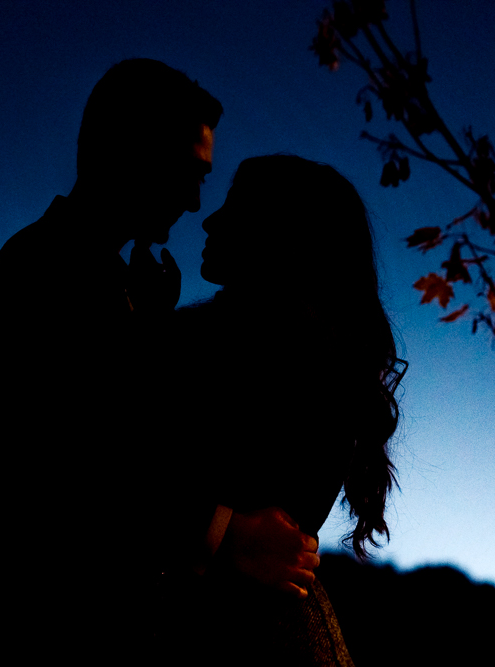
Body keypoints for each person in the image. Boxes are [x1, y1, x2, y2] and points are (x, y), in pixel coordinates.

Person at [0, 60, 319, 656]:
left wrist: (151, 331)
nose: (194, 198)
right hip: (41, 624)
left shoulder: (105, 277)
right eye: (189, 170)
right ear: (131, 151)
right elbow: (60, 461)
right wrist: (227, 533)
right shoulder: (43, 267)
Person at [167, 154, 406, 664]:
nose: (209, 221)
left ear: (277, 234)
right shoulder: (325, 360)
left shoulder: (240, 352)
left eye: (232, 210)